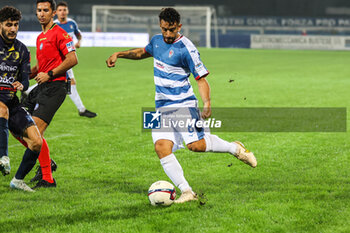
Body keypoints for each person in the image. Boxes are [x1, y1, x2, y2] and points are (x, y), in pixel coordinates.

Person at [106, 8, 257, 203]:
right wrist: (119, 54)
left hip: (184, 104)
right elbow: (143, 52)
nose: (167, 34)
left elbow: (201, 79)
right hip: (161, 106)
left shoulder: (187, 48)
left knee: (195, 146)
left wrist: (207, 103)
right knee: (161, 147)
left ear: (179, 26)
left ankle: (234, 149)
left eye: (171, 30)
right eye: (164, 30)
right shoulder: (157, 40)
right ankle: (187, 191)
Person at [21, 0, 78, 188]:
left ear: (53, 13)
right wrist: (21, 77)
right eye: (39, 10)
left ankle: (48, 178)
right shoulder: (40, 37)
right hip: (42, 86)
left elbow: (72, 59)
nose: (41, 13)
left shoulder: (60, 34)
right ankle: (46, 162)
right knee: (16, 122)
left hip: (56, 87)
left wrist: (51, 74)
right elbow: (40, 67)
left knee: (34, 131)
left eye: (46, 10)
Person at [0, 5, 43, 192]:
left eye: (16, 24)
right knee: (2, 110)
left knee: (37, 142)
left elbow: (25, 79)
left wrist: (22, 85)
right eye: (9, 24)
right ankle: (3, 157)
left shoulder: (22, 50)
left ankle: (17, 180)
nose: (13, 29)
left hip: (12, 102)